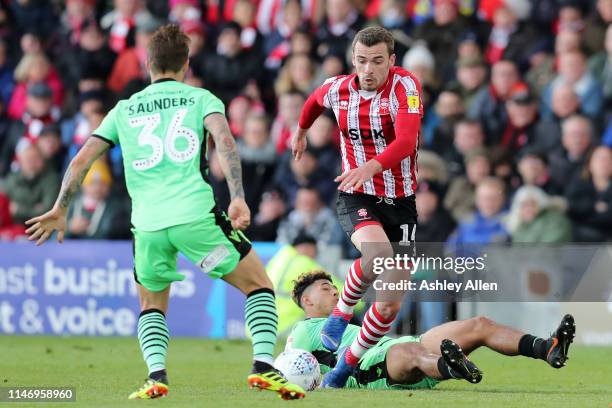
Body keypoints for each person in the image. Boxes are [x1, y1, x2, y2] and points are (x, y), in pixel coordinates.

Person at [24, 24, 304, 401]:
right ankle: (263, 367)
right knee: (259, 285)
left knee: (151, 304)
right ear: (185, 64)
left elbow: (80, 161)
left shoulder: (123, 110)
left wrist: (60, 208)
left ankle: (156, 375)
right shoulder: (201, 98)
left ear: (147, 63)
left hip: (148, 226)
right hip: (196, 219)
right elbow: (224, 140)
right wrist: (237, 196)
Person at [292, 26, 423, 388]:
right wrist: (301, 130)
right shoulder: (339, 88)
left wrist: (372, 165)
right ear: (354, 60)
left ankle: (345, 367)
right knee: (377, 253)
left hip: (402, 202)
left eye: (377, 61)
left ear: (391, 61)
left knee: (389, 304)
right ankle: (341, 312)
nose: (368, 69)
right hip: (357, 193)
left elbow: (407, 140)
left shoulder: (406, 88)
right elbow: (314, 101)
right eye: (362, 61)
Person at [287, 271, 575, 390]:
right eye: (326, 289)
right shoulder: (304, 331)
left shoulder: (347, 323)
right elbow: (292, 370)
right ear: (307, 301)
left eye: (335, 288)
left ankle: (547, 348)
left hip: (403, 348)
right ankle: (450, 366)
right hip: (375, 373)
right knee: (409, 351)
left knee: (480, 325)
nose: (336, 293)